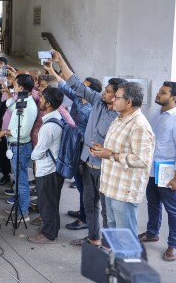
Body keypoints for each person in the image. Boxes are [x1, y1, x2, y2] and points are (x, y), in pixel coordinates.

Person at [51, 51, 127, 248]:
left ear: (119, 95)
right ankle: (93, 238)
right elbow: (75, 84)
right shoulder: (97, 102)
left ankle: (108, 244)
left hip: (105, 168)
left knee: (106, 209)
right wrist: (60, 62)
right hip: (87, 163)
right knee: (89, 204)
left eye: (109, 91)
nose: (105, 93)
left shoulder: (122, 117)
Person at [89, 82, 155, 237]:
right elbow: (116, 148)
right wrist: (102, 150)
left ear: (129, 102)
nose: (112, 100)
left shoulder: (139, 126)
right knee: (113, 228)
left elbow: (142, 160)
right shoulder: (119, 118)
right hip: (110, 186)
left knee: (124, 233)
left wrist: (111, 155)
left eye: (117, 98)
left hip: (124, 191)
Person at [139, 81, 176, 262]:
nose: (158, 94)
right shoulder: (156, 114)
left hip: (168, 173)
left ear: (173, 98)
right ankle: (152, 232)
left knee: (173, 209)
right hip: (152, 170)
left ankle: (174, 245)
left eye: (163, 92)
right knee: (153, 203)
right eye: (160, 91)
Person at [0, 74, 38, 222]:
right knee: (17, 180)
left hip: (20, 147)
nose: (12, 87)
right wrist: (8, 94)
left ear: (21, 87)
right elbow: (14, 108)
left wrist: (5, 131)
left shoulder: (30, 106)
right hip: (14, 146)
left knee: (21, 182)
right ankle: (20, 207)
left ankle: (23, 212)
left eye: (14, 85)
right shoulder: (22, 99)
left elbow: (24, 131)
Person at [28, 88, 65, 244]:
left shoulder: (48, 126)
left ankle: (48, 234)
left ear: (48, 103)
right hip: (55, 168)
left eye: (42, 99)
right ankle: (53, 229)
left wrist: (32, 156)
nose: (40, 101)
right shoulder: (57, 117)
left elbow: (39, 152)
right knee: (52, 201)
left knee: (46, 203)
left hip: (47, 170)